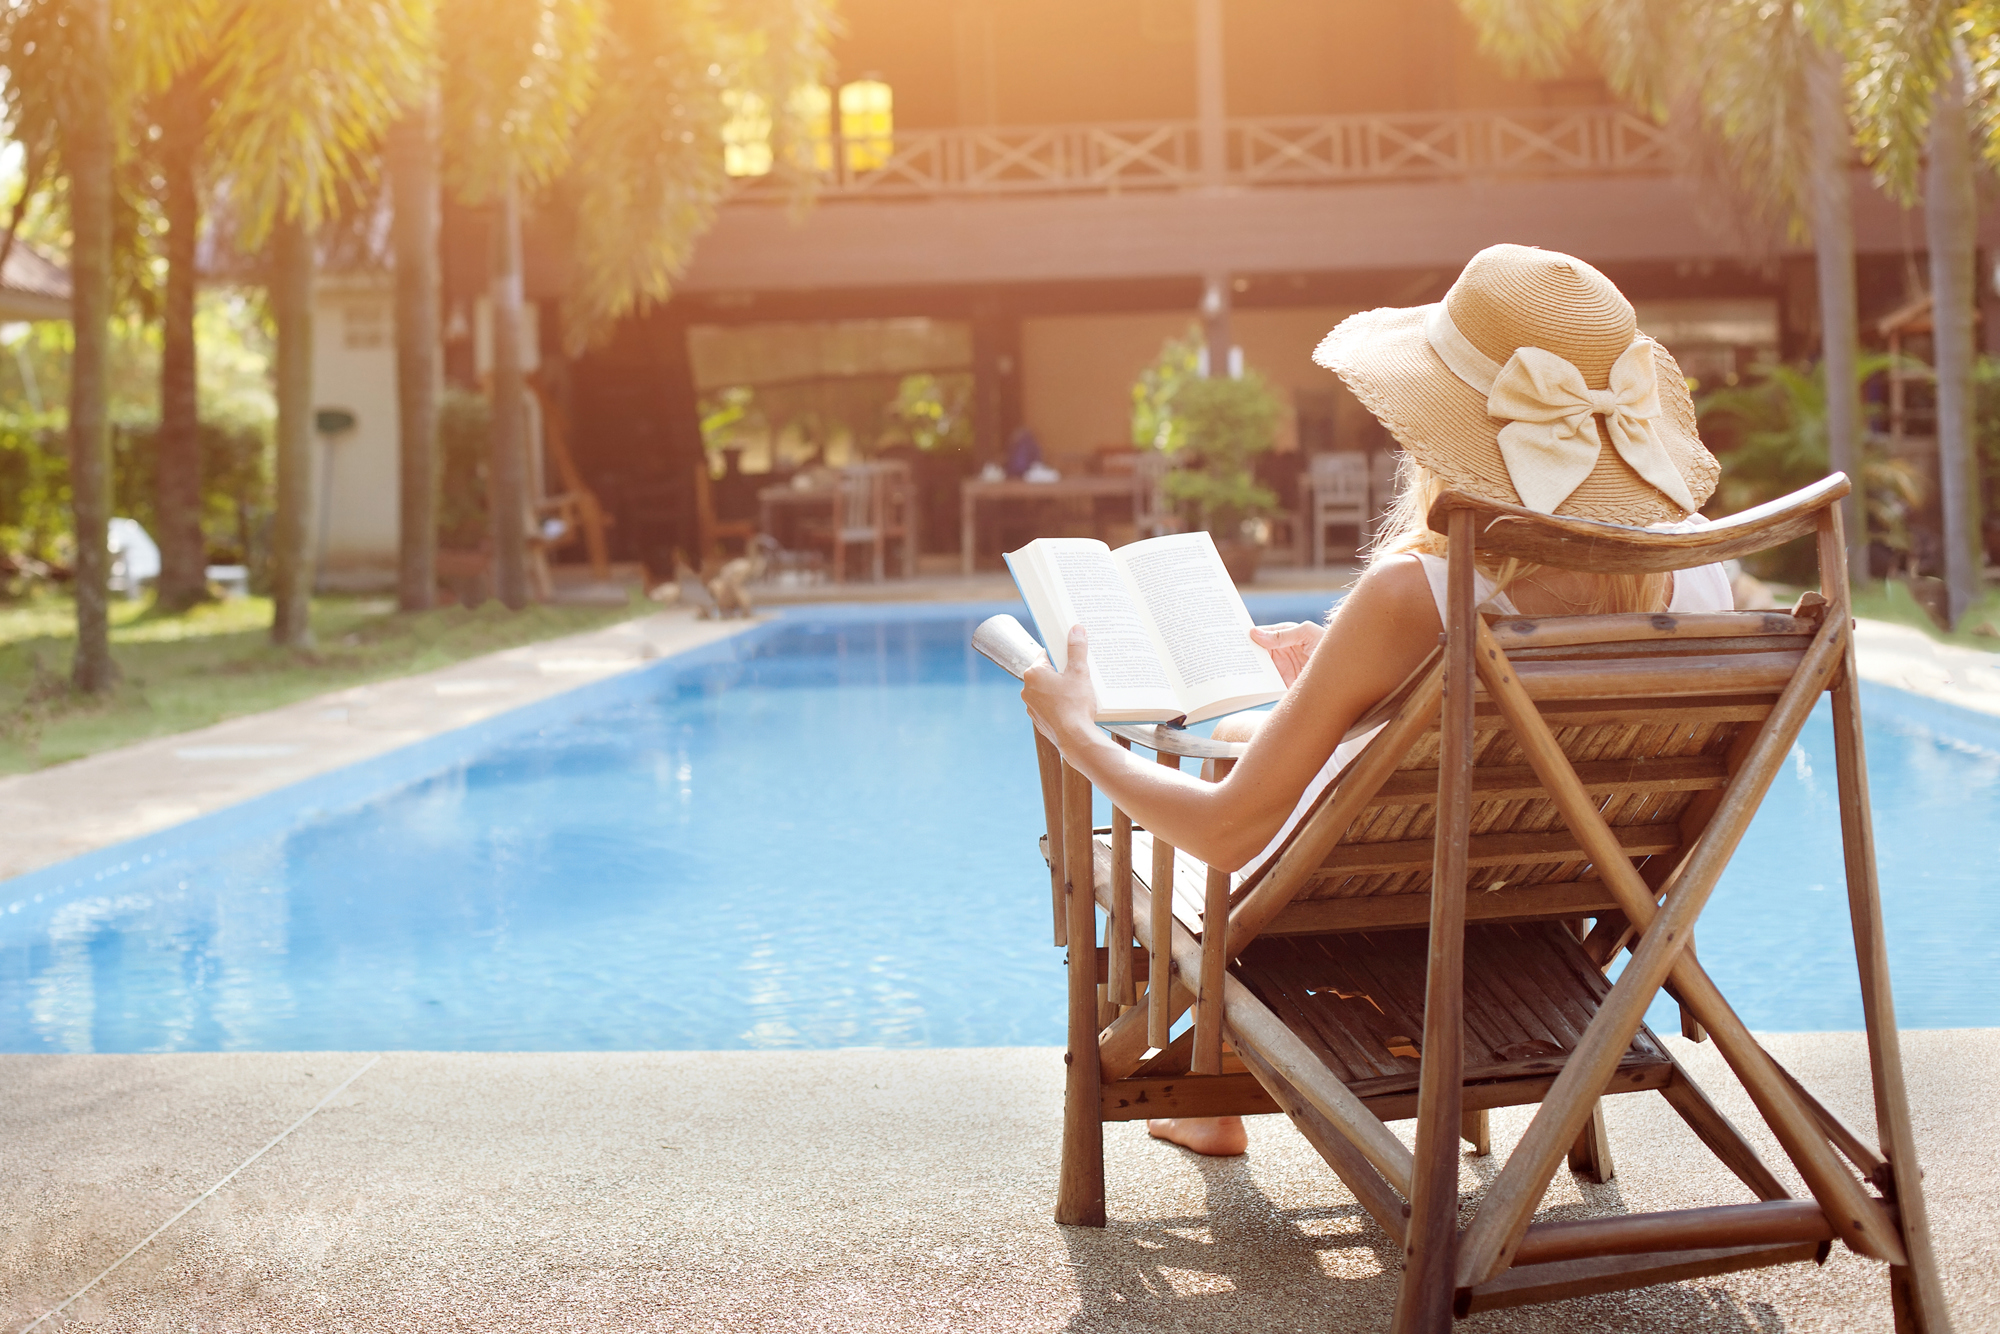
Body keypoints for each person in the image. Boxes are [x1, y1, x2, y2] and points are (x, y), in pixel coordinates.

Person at [1019, 244, 1734, 1158]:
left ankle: (1205, 1090)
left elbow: (1226, 835)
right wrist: (1358, 680)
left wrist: (1078, 732)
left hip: (1364, 904)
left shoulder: (1415, 597)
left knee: (1150, 841)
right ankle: (1213, 1098)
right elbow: (1536, 739)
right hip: (1548, 901)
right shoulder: (1706, 574)